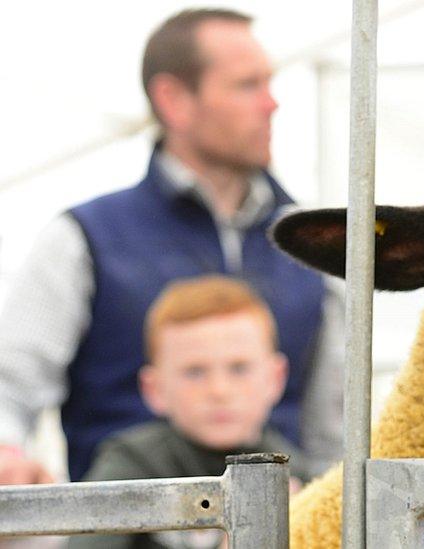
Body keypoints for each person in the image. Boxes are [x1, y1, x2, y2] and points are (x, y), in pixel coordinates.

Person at [0, 8, 339, 485]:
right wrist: (7, 453)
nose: (272, 104)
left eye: (269, 83)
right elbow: (9, 384)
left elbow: (331, 433)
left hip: (282, 524)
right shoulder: (84, 238)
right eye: (247, 85)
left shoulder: (314, 244)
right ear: (174, 100)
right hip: (123, 528)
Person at [68, 275, 311, 548]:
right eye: (194, 372)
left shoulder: (299, 477)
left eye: (239, 368)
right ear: (155, 389)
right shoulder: (131, 464)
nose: (219, 390)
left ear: (275, 378)